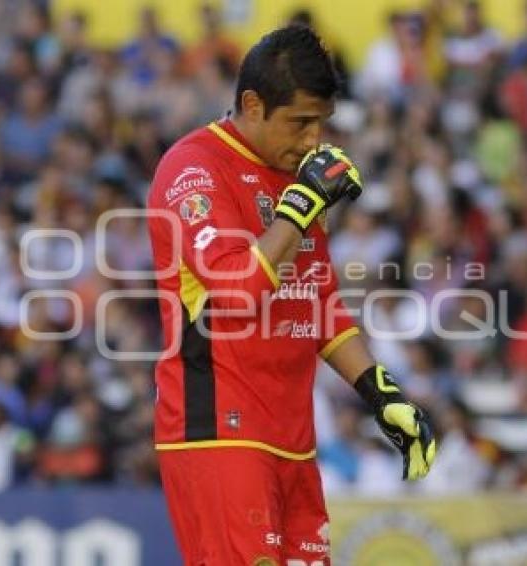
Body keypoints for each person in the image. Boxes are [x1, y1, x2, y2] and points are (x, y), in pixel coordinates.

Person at [146, 25, 437, 564]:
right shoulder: (193, 172)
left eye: (320, 124)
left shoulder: (295, 181)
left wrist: (382, 393)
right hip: (219, 434)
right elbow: (236, 290)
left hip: (293, 440)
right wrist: (299, 208)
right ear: (252, 105)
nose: (312, 141)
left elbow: (317, 301)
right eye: (300, 123)